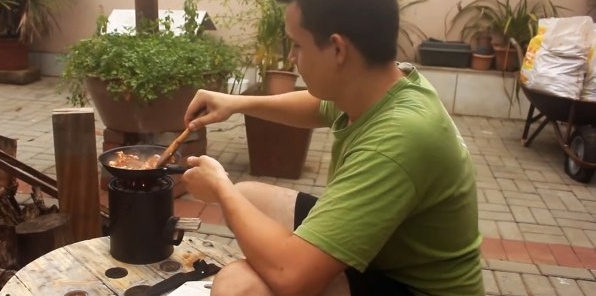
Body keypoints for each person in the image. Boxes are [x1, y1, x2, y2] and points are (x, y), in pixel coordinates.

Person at [181, 0, 484, 295]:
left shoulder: (398, 140)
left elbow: (292, 279)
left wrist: (221, 187)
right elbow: (320, 105)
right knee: (248, 198)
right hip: (384, 258)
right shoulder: (379, 84)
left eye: (297, 45)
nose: (292, 59)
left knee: (241, 286)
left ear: (338, 49)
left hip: (414, 286)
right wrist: (235, 103)